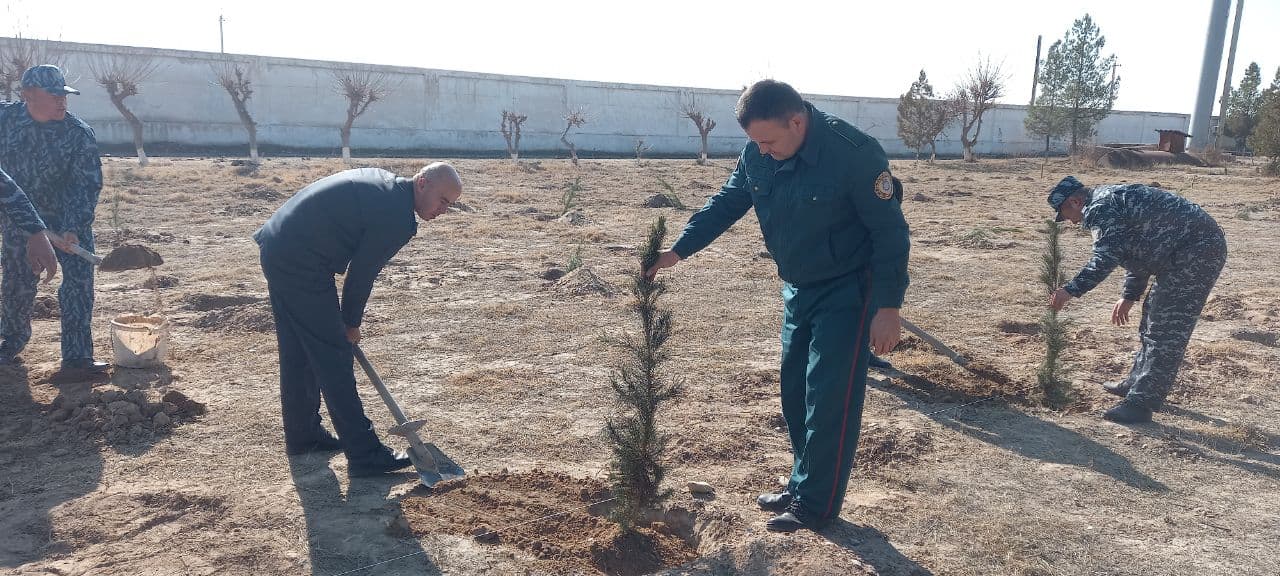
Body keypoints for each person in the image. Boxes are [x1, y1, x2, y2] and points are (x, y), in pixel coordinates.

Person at [647, 80, 910, 532]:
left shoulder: (854, 153)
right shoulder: (758, 153)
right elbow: (728, 202)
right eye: (755, 142)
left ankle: (817, 505)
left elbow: (890, 233)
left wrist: (888, 308)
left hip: (849, 288)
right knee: (795, 391)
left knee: (830, 397)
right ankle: (800, 483)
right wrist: (677, 251)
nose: (762, 151)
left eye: (768, 140)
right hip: (798, 287)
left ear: (797, 121)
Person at [254, 163, 462, 476]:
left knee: (299, 351)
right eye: (443, 200)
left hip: (280, 245)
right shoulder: (397, 216)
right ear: (422, 183)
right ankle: (365, 454)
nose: (443, 210)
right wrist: (350, 324)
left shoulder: (389, 190)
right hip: (300, 260)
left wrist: (345, 321)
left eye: (450, 205)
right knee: (334, 354)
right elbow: (362, 273)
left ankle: (304, 436)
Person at [1047, 176, 1227, 424]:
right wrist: (1129, 295)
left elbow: (1106, 256)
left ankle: (1141, 404)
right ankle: (1135, 383)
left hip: (1198, 253)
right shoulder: (1110, 200)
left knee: (1166, 330)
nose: (1069, 221)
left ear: (1076, 201)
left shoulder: (1100, 207)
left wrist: (1071, 290)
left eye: (1065, 213)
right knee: (1153, 318)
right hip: (1182, 251)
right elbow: (1139, 248)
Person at [0, 65, 104, 370]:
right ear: (28, 95)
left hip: (66, 218)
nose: (62, 101)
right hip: (20, 217)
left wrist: (73, 227)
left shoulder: (78, 133)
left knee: (79, 283)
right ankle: (9, 343)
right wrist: (30, 226)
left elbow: (85, 185)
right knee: (18, 282)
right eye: (54, 95)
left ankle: (77, 358)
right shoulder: (5, 121)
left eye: (65, 94)